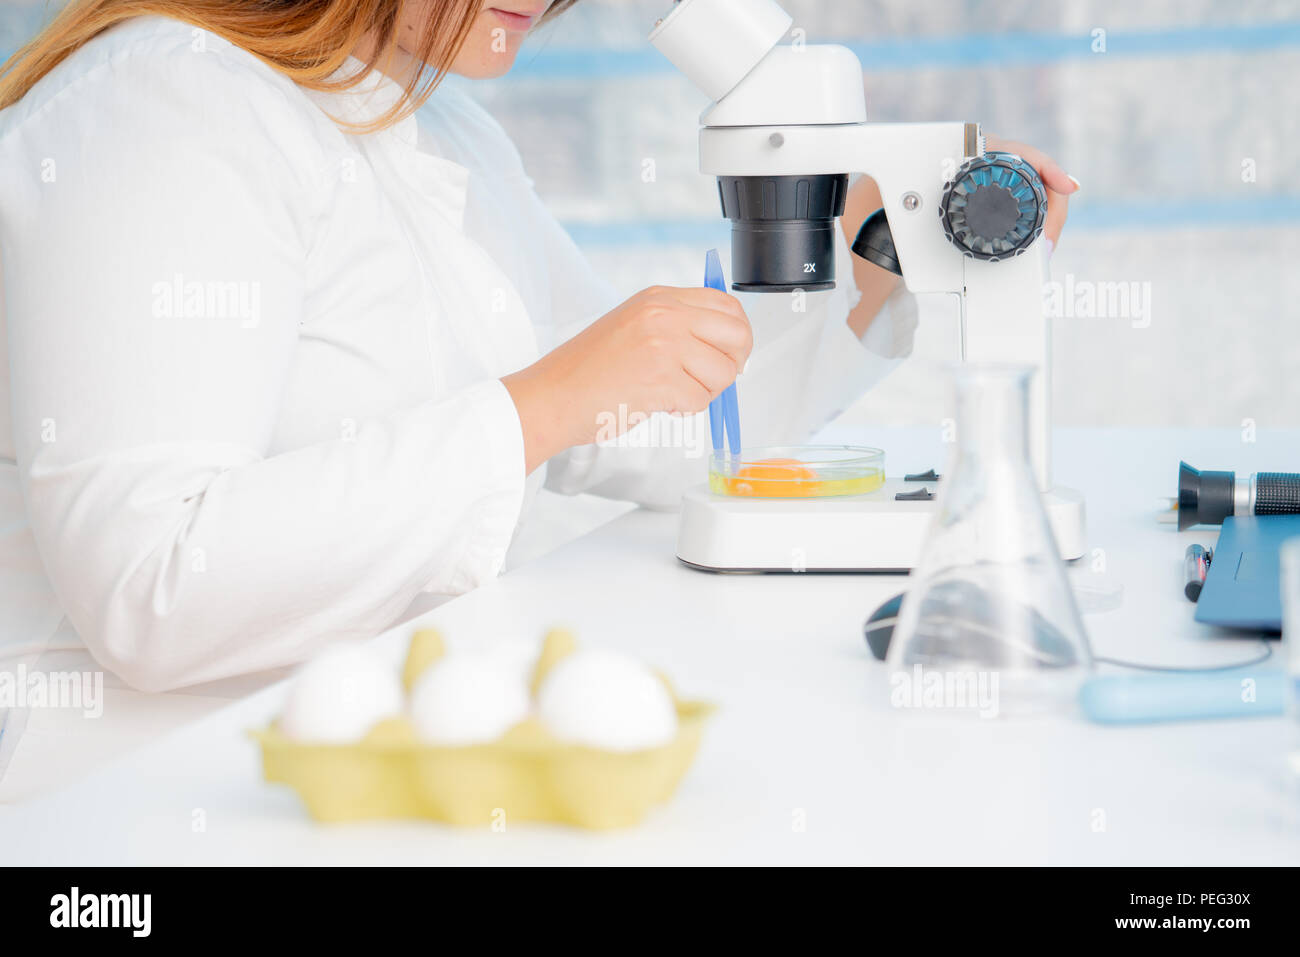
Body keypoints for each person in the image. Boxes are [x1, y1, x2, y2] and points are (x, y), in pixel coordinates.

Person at [0, 0, 1078, 693]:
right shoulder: (162, 102)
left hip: (382, 728)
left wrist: (872, 263)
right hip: (143, 788)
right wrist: (537, 406)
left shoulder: (443, 126)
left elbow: (673, 424)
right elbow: (149, 590)